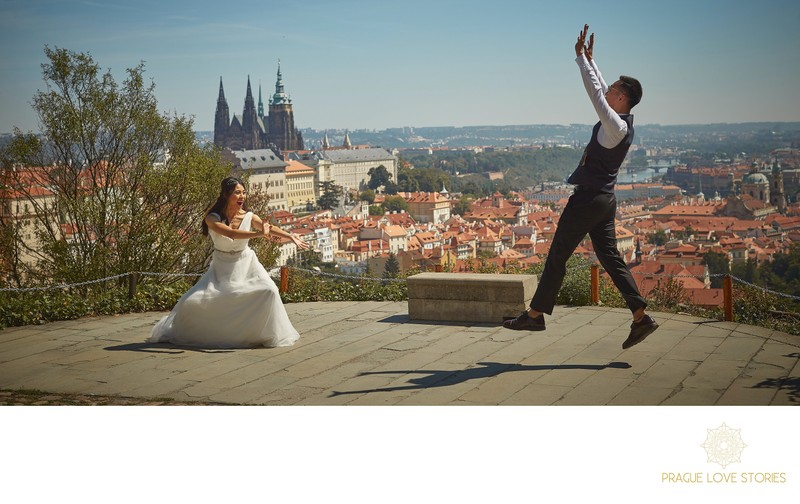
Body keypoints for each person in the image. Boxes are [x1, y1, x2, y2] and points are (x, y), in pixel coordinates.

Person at [504, 24, 658, 349]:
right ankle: (641, 316)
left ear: (622, 97)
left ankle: (534, 316)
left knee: (558, 253)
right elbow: (602, 88)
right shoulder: (624, 124)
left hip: (588, 201)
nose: (608, 90)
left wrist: (579, 61)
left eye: (613, 88)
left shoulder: (614, 124)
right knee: (611, 258)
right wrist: (590, 60)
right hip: (605, 201)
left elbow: (595, 93)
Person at [150, 176, 310, 348]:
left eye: (244, 192)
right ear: (226, 194)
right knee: (192, 303)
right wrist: (260, 234)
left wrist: (290, 236)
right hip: (221, 267)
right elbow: (231, 234)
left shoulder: (248, 216)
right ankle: (214, 333)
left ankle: (260, 333)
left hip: (247, 263)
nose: (242, 196)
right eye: (237, 193)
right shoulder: (212, 218)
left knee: (269, 291)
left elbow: (270, 228)